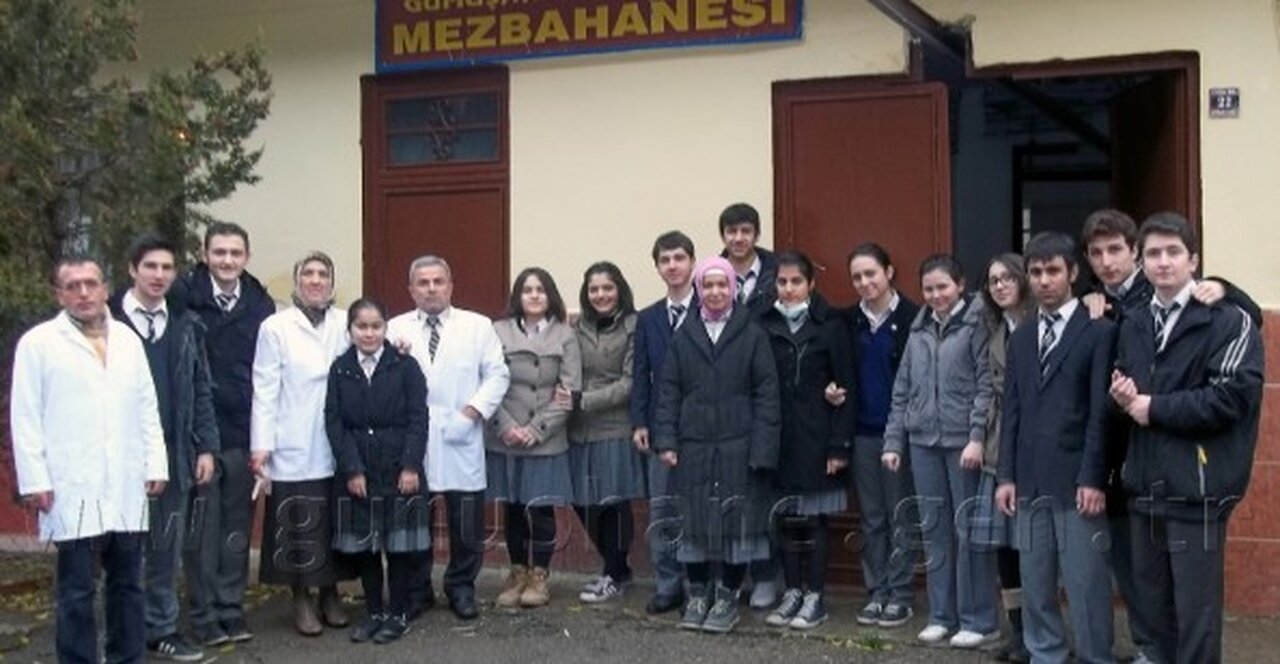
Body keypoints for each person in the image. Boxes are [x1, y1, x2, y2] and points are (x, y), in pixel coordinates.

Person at [1078, 208, 1260, 664]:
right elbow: (1127, 391)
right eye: (1154, 253)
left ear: (1193, 260)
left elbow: (1231, 398)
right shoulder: (1136, 322)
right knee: (1152, 611)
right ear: (1142, 261)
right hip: (1144, 485)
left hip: (1198, 489)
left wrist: (1151, 407)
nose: (1163, 262)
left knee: (1196, 616)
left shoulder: (1227, 319)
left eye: (1173, 252)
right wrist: (1122, 397)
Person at [10, 256, 169, 664]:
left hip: (125, 479)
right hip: (72, 481)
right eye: (73, 286)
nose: (83, 293)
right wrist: (35, 479)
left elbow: (147, 406)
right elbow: (25, 415)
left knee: (128, 584)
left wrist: (156, 463)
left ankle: (126, 657)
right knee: (77, 588)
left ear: (105, 288)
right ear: (58, 294)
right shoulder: (39, 343)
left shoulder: (128, 340)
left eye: (91, 284)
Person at [994, 233, 1117, 664]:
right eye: (1036, 272)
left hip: (1078, 480)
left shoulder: (1099, 332)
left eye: (1053, 271)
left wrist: (1093, 477)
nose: (1044, 281)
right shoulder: (1022, 337)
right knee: (1036, 579)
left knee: (1085, 582)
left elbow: (1101, 412)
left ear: (1073, 273)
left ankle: (1095, 656)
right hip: (1029, 479)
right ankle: (1046, 653)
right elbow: (1011, 411)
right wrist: (1006, 475)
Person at [653, 256, 780, 635]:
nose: (715, 291)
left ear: (733, 288)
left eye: (722, 284)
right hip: (693, 449)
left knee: (738, 526)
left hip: (740, 448)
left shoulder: (752, 334)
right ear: (698, 290)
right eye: (707, 285)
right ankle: (697, 595)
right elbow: (668, 392)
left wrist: (762, 450)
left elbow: (767, 395)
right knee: (693, 524)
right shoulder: (685, 335)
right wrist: (666, 440)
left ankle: (726, 597)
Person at [107, 234, 219, 662]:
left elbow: (201, 388)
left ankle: (162, 628)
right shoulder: (108, 322)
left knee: (164, 549)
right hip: (118, 454)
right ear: (132, 270)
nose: (158, 275)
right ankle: (120, 633)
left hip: (173, 452)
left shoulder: (186, 324)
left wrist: (205, 447)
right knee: (118, 550)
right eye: (150, 266)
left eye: (166, 268)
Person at [882, 254, 1000, 648]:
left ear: (960, 285)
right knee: (934, 531)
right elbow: (902, 389)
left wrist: (977, 437)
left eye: (943, 287)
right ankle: (941, 616)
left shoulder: (977, 325)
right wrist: (894, 442)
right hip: (923, 443)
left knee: (969, 532)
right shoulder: (917, 330)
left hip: (964, 445)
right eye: (928, 289)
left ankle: (978, 619)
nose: (936, 295)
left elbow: (986, 386)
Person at [388, 255, 510, 621]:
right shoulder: (394, 328)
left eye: (438, 281)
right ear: (411, 290)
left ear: (450, 286)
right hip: (413, 441)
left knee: (466, 521)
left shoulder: (477, 326)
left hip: (461, 434)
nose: (431, 289)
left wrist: (471, 412)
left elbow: (498, 375)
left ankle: (461, 587)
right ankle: (418, 590)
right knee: (415, 519)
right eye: (423, 283)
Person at [171, 221, 275, 647]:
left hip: (243, 433)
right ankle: (203, 614)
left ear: (246, 257)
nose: (227, 260)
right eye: (219, 252)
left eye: (235, 253)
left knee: (236, 529)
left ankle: (231, 609)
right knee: (201, 532)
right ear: (205, 254)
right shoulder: (182, 296)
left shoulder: (260, 303)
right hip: (199, 436)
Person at [250, 251, 351, 636]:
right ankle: (301, 597)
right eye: (308, 273)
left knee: (333, 519)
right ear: (297, 281)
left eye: (323, 273)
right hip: (292, 436)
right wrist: (261, 444)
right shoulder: (276, 327)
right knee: (297, 521)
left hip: (336, 437)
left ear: (332, 282)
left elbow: (376, 344)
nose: (316, 280)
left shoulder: (345, 322)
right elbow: (264, 387)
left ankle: (330, 591)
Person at [827, 243, 920, 629]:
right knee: (872, 517)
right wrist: (829, 388)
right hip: (863, 433)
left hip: (902, 434)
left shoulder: (915, 317)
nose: (864, 282)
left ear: (889, 272)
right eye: (857, 277)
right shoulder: (846, 321)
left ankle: (900, 595)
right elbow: (832, 366)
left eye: (871, 273)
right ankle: (877, 591)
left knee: (901, 515)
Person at [758, 251, 853, 631]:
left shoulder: (830, 325)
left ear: (811, 284)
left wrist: (839, 446)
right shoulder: (763, 324)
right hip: (778, 439)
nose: (789, 289)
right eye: (782, 282)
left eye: (796, 281)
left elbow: (846, 386)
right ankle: (792, 591)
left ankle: (815, 597)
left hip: (818, 438)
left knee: (814, 519)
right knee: (785, 519)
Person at [326, 298, 430, 644]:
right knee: (368, 547)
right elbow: (334, 422)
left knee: (399, 547)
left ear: (386, 328)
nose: (369, 333)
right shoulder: (340, 369)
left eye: (375, 326)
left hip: (398, 468)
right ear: (350, 330)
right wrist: (352, 469)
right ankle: (373, 613)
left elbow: (418, 418)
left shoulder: (405, 365)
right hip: (360, 470)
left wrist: (411, 465)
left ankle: (398, 613)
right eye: (361, 326)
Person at [487, 267, 582, 609]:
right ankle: (517, 573)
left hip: (545, 437)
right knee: (512, 509)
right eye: (527, 290)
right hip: (506, 436)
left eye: (541, 289)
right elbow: (485, 380)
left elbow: (570, 389)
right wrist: (506, 426)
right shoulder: (496, 331)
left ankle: (540, 575)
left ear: (550, 295)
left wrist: (536, 429)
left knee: (541, 509)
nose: (534, 295)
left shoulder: (565, 335)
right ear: (518, 296)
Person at [564, 262, 645, 603]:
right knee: (582, 502)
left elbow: (630, 382)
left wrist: (584, 400)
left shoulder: (634, 326)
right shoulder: (575, 327)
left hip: (614, 425)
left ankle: (614, 572)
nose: (601, 295)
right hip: (577, 429)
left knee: (613, 502)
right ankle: (618, 568)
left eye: (607, 288)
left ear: (619, 289)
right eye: (594, 289)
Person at [716, 202, 781, 608]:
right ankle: (731, 576)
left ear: (756, 233)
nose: (738, 238)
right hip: (725, 399)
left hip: (769, 391)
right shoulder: (710, 275)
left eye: (745, 231)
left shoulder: (779, 272)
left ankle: (765, 575)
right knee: (727, 496)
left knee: (762, 493)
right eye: (731, 231)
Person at [629, 231, 696, 615]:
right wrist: (640, 421)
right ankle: (668, 585)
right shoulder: (649, 317)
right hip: (660, 428)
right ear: (656, 267)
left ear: (692, 262)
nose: (672, 266)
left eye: (679, 258)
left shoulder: (711, 307)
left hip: (702, 428)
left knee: (699, 509)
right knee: (663, 511)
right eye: (665, 260)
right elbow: (641, 374)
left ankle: (699, 586)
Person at [977, 253, 1034, 663]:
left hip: (1035, 448)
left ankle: (1042, 633)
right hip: (1000, 449)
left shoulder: (1041, 323)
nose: (1000, 286)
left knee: (1034, 545)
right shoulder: (995, 329)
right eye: (993, 280)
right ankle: (1019, 632)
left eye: (1007, 278)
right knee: (1006, 547)